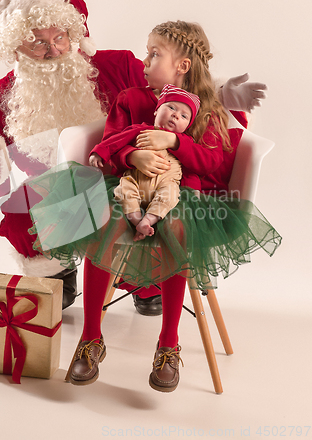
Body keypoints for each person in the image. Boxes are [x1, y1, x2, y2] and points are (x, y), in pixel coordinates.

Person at [0, 0, 267, 314]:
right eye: (36, 42)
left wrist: (218, 96)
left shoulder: (115, 66)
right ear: (16, 46)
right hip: (58, 189)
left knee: (141, 208)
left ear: (74, 35)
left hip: (125, 176)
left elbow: (173, 92)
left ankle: (144, 280)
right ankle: (58, 273)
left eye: (60, 37)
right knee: (18, 213)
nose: (53, 50)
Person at [61, 20, 281, 392]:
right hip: (128, 186)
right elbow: (111, 145)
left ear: (182, 66)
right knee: (104, 224)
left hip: (187, 195)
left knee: (177, 229)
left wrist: (174, 142)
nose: (144, 60)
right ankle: (91, 337)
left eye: (154, 53)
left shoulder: (206, 109)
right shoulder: (131, 99)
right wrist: (134, 156)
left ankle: (168, 344)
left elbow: (215, 162)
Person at [89, 85, 201, 241]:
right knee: (124, 190)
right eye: (171, 107)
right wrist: (99, 152)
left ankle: (148, 220)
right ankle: (136, 220)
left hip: (165, 183)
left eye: (184, 116)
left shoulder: (184, 143)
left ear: (187, 126)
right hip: (136, 179)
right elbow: (116, 140)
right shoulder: (141, 130)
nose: (176, 115)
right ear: (156, 110)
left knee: (171, 195)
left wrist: (193, 189)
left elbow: (190, 169)